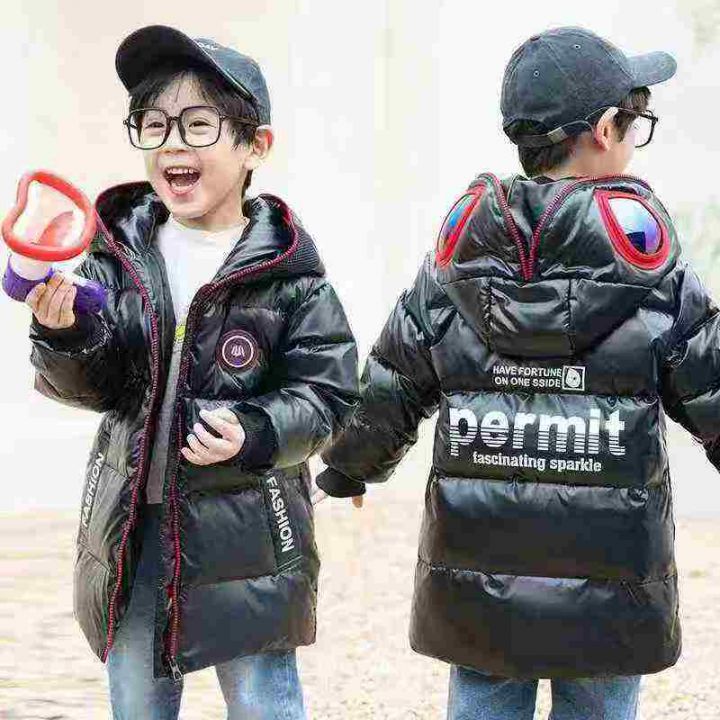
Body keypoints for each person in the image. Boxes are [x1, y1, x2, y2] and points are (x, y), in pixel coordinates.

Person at [317, 26, 713, 720]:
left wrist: (350, 466)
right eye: (636, 124)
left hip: (480, 574)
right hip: (611, 579)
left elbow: (394, 377)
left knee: (484, 699)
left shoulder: (459, 260)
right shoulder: (651, 271)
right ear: (604, 131)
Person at [25, 24, 359, 720]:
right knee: (137, 701)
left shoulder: (291, 277)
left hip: (249, 537)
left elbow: (327, 396)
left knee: (263, 700)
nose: (173, 144)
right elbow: (102, 386)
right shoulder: (117, 254)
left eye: (199, 125)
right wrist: (67, 335)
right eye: (154, 125)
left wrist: (256, 430)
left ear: (255, 146)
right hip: (132, 527)